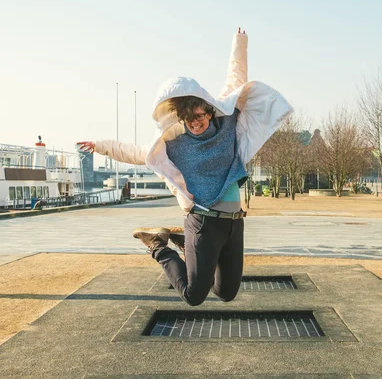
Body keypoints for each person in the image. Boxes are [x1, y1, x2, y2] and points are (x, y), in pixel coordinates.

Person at [77, 28, 292, 306]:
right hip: (203, 223)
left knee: (226, 293)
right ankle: (158, 245)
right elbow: (137, 152)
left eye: (200, 116)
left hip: (234, 224)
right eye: (189, 119)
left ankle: (183, 242)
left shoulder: (227, 123)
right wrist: (100, 145)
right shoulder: (175, 145)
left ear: (209, 110)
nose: (196, 123)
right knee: (194, 296)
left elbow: (236, 79)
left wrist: (240, 42)